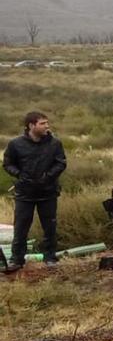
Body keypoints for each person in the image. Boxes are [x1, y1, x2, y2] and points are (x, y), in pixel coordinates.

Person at [3, 111, 67, 272]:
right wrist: (20, 174)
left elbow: (61, 163)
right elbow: (8, 164)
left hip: (48, 192)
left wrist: (48, 177)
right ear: (31, 125)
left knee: (49, 227)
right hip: (25, 193)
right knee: (21, 228)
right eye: (42, 123)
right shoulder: (16, 144)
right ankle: (16, 260)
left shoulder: (55, 143)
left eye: (47, 123)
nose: (47, 126)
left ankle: (50, 258)